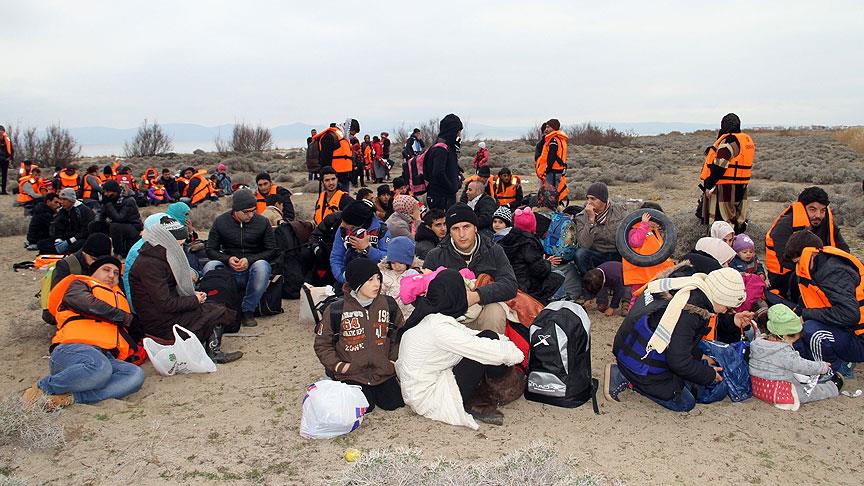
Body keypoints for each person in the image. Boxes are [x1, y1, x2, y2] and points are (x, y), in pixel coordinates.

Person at [396, 269, 524, 428]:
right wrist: (516, 354)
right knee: (487, 347)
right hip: (430, 396)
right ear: (454, 295)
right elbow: (481, 348)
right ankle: (498, 390)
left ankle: (491, 388)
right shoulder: (438, 327)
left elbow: (469, 334)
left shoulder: (431, 317)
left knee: (488, 337)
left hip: (419, 389)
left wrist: (502, 341)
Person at [606, 268, 747, 411]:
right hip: (639, 363)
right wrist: (709, 375)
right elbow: (678, 362)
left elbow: (677, 336)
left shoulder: (685, 285)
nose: (726, 311)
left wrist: (700, 356)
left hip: (627, 346)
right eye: (727, 307)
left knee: (691, 380)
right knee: (685, 402)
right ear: (720, 297)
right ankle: (627, 378)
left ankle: (629, 373)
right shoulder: (691, 311)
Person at [23, 257, 144, 410]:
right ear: (93, 272)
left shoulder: (119, 296)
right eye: (106, 270)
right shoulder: (79, 285)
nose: (112, 275)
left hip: (106, 356)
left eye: (115, 273)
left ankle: (69, 398)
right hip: (71, 351)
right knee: (99, 368)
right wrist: (125, 318)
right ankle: (42, 388)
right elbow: (83, 302)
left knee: (135, 375)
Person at [130, 215, 242, 363]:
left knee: (214, 306)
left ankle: (209, 349)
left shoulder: (159, 257)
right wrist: (194, 300)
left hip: (163, 313)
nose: (181, 249)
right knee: (216, 311)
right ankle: (213, 353)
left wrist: (193, 296)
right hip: (159, 322)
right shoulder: (151, 265)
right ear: (167, 241)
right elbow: (165, 303)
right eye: (179, 245)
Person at [314, 258, 405, 411]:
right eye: (370, 280)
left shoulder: (388, 305)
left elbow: (399, 335)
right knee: (363, 408)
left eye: (378, 278)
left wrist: (392, 362)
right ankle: (333, 380)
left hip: (383, 371)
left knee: (394, 404)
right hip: (352, 373)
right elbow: (322, 343)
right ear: (357, 283)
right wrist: (339, 366)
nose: (376, 284)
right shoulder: (336, 310)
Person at [423, 203, 518, 333]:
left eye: (466, 227)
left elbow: (510, 285)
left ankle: (492, 350)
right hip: (450, 320)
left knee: (495, 310)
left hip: (484, 311)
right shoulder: (435, 256)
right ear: (449, 232)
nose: (461, 234)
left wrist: (477, 295)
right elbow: (424, 294)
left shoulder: (493, 250)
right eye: (455, 228)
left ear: (475, 228)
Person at [781, 231, 864, 372]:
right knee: (799, 329)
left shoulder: (834, 272)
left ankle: (836, 369)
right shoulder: (818, 268)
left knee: (813, 330)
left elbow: (850, 315)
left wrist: (806, 315)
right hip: (846, 331)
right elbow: (810, 301)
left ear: (812, 254)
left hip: (859, 339)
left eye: (799, 262)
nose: (798, 267)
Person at [204, 189, 276, 327]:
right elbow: (210, 249)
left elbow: (272, 250)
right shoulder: (221, 222)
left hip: (252, 268)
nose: (250, 215)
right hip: (229, 268)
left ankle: (247, 311)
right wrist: (227, 259)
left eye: (253, 210)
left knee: (262, 266)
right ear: (235, 210)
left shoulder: (263, 222)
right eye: (246, 212)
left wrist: (250, 260)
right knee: (210, 266)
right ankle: (215, 310)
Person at [749, 304, 841, 410]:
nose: (792, 344)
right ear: (783, 336)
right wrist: (821, 367)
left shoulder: (757, 343)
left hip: (758, 387)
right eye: (792, 341)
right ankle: (833, 387)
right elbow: (801, 365)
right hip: (779, 391)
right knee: (808, 393)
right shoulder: (782, 351)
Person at [765, 186, 849, 299]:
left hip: (820, 270)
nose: (818, 215)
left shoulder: (827, 222)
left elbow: (844, 249)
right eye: (812, 209)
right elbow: (786, 260)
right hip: (787, 277)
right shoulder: (784, 226)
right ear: (802, 208)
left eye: (822, 210)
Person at [491, 206, 564, 304]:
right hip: (526, 287)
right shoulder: (529, 242)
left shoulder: (504, 240)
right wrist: (547, 263)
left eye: (500, 222)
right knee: (559, 275)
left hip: (509, 284)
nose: (497, 225)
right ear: (533, 225)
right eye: (495, 221)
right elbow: (539, 271)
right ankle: (557, 302)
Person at [698, 113, 754, 233]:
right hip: (741, 187)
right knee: (737, 221)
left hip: (725, 189)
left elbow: (720, 166)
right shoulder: (743, 140)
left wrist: (709, 186)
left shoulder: (728, 142)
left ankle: (723, 248)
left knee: (722, 223)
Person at [42, 233, 113, 325]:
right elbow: (59, 298)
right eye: (94, 259)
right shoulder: (67, 266)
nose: (97, 264)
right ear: (84, 252)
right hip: (69, 306)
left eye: (102, 260)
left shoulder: (108, 265)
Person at [572, 182, 624, 286]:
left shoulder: (620, 211)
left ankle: (624, 284)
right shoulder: (582, 216)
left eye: (593, 199)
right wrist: (591, 221)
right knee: (580, 254)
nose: (589, 202)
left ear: (603, 199)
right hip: (597, 254)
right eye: (588, 198)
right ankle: (592, 285)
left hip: (618, 252)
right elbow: (584, 244)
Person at [330, 199, 391, 285]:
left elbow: (388, 258)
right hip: (348, 279)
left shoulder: (381, 231)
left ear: (360, 224)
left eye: (346, 223)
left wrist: (367, 249)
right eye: (342, 220)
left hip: (374, 281)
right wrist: (343, 277)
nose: (342, 225)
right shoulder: (342, 230)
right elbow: (336, 257)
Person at [623, 205, 675, 304]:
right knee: (637, 298)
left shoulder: (654, 232)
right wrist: (643, 225)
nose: (658, 224)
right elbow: (635, 242)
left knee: (650, 299)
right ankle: (633, 317)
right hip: (640, 274)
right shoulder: (635, 229)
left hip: (652, 273)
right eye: (657, 219)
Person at [424, 114, 464, 211]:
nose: (459, 134)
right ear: (452, 131)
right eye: (458, 131)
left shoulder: (448, 147)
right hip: (440, 198)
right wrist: (451, 187)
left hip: (445, 197)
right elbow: (438, 173)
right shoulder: (440, 149)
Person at [379, 236, 420, 319]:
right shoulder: (385, 275)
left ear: (408, 262)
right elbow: (380, 293)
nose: (397, 266)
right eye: (393, 263)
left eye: (401, 263)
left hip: (410, 313)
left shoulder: (413, 275)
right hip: (390, 313)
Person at [100, 180, 143, 257]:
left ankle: (118, 253)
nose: (106, 194)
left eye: (108, 192)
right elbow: (101, 215)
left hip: (133, 226)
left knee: (115, 226)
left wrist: (108, 204)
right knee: (95, 225)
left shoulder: (128, 200)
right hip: (120, 225)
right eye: (105, 192)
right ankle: (100, 252)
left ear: (115, 191)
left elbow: (120, 218)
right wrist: (98, 220)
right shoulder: (111, 198)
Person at [314, 119, 359, 192]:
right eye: (353, 133)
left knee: (344, 200)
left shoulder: (343, 137)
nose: (353, 136)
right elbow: (325, 158)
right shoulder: (331, 136)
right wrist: (327, 176)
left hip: (344, 176)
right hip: (333, 177)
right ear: (349, 128)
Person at [51, 188, 94, 254]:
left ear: (71, 200)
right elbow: (58, 226)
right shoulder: (62, 211)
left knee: (78, 245)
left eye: (64, 199)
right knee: (43, 243)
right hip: (66, 238)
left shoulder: (84, 210)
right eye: (61, 199)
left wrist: (70, 241)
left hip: (79, 238)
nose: (62, 202)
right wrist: (58, 239)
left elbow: (85, 231)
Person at [535, 119, 567, 194]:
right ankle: (554, 204)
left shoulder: (553, 140)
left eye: (548, 127)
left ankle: (551, 205)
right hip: (558, 170)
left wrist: (548, 168)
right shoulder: (560, 139)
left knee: (549, 193)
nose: (546, 129)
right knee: (554, 191)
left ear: (553, 127)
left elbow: (551, 155)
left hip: (552, 171)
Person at [0, 125, 13, 195]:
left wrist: (10, 158)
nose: (0, 132)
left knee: (4, 175)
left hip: (5, 160)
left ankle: (3, 190)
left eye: (2, 130)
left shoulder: (7, 140)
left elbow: (11, 149)